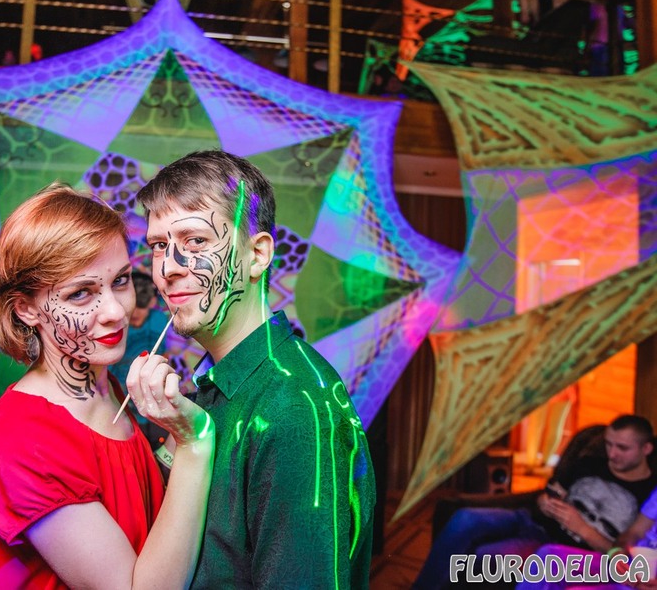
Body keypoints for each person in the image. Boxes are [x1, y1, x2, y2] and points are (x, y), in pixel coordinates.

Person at [128, 149, 376, 589]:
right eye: (159, 246)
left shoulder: (293, 409)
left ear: (258, 255)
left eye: (195, 241)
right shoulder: (216, 383)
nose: (167, 268)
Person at [0, 184, 215, 588]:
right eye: (81, 293)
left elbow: (132, 506)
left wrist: (174, 428)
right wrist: (194, 444)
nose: (116, 311)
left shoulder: (107, 388)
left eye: (120, 280)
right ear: (26, 308)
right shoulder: (22, 437)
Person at [414, 415, 656, 589]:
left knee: (484, 556)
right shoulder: (590, 463)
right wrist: (544, 502)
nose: (612, 454)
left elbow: (620, 551)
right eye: (608, 444)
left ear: (646, 448)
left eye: (622, 448)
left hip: (563, 546)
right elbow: (548, 492)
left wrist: (582, 527)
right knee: (464, 517)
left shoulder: (648, 494)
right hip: (533, 520)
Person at [515, 485, 657, 589]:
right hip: (630, 566)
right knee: (549, 556)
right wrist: (617, 553)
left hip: (648, 580)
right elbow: (635, 532)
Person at [109, 271, 168, 448]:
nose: (135, 314)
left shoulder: (159, 320)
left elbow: (165, 354)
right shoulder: (115, 326)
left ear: (151, 301)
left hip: (153, 403)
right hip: (121, 403)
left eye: (141, 307)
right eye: (132, 307)